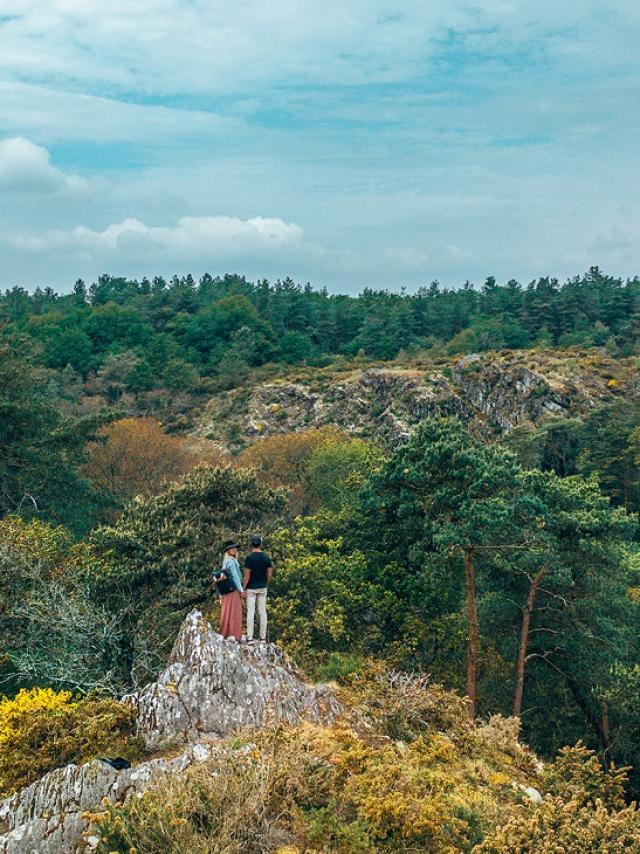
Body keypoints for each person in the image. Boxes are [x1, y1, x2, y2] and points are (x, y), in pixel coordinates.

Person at [243, 534, 274, 644]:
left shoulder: (249, 557)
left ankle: (250, 638)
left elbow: (247, 575)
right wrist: (266, 582)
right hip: (262, 587)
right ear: (260, 544)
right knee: (262, 612)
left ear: (251, 544)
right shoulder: (266, 556)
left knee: (250, 612)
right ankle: (263, 638)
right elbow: (270, 573)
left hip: (251, 588)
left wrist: (244, 588)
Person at [214, 539, 244, 640]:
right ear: (228, 551)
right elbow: (235, 577)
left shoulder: (226, 561)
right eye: (232, 548)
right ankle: (234, 634)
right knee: (235, 611)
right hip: (233, 590)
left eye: (235, 548)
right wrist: (241, 590)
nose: (235, 550)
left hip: (226, 591)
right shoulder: (231, 562)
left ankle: (225, 633)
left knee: (227, 610)